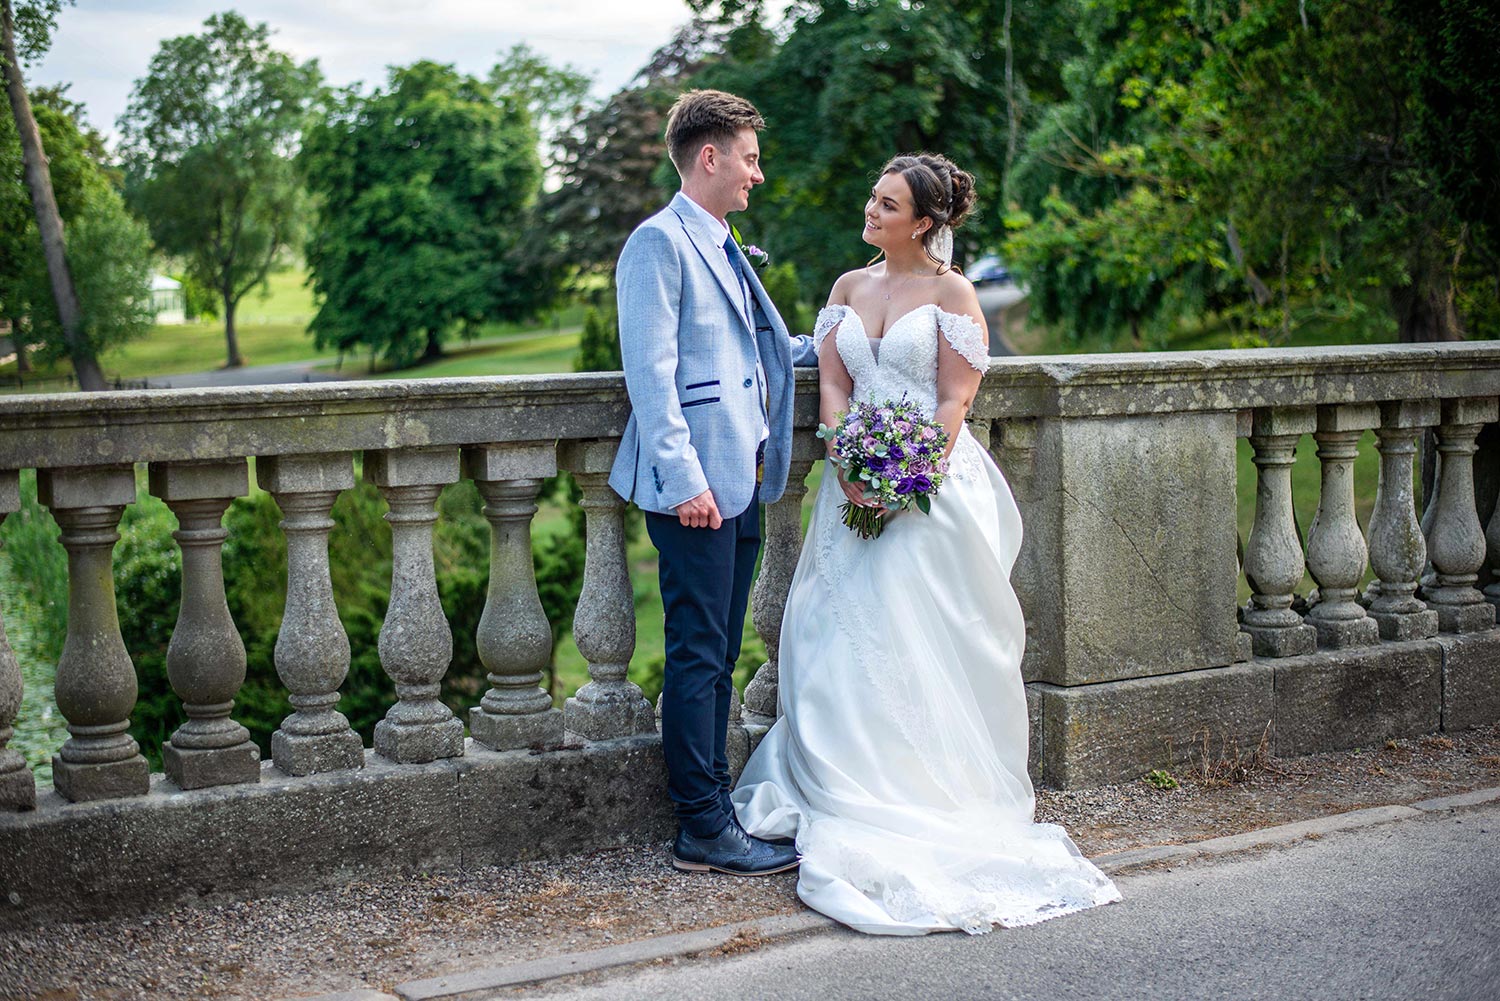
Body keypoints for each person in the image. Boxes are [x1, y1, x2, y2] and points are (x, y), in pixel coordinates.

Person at [732, 153, 1122, 932]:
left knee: (927, 639)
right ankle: (846, 778)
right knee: (840, 635)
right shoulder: (849, 287)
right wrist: (845, 457)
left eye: (886, 204)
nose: (870, 211)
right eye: (872, 197)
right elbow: (837, 383)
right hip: (849, 494)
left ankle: (928, 790)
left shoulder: (953, 294)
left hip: (931, 490)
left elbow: (956, 397)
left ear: (924, 222)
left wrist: (910, 477)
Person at [609, 89, 819, 876]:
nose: (757, 174)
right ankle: (701, 823)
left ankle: (717, 807)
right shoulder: (657, 244)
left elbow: (749, 353)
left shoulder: (723, 240)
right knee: (699, 654)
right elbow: (652, 376)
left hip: (745, 479)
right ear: (710, 157)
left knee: (723, 649)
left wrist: (840, 338)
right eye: (751, 157)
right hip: (694, 488)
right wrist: (683, 478)